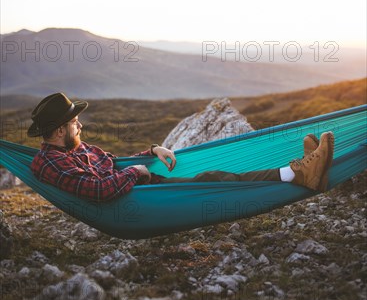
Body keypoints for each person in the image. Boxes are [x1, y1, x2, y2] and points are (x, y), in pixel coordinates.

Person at [28, 93, 334, 203]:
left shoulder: (75, 149)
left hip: (144, 185)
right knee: (215, 180)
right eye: (75, 123)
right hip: (138, 201)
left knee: (214, 170)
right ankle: (298, 174)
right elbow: (99, 191)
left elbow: (114, 162)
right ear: (59, 130)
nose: (80, 126)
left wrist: (151, 151)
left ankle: (299, 167)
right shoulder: (51, 164)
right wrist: (135, 173)